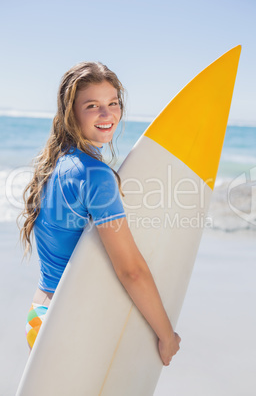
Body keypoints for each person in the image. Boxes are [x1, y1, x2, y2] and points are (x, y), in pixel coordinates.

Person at [20, 61, 181, 366]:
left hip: (39, 314)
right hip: (69, 321)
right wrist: (166, 335)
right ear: (72, 113)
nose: (107, 115)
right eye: (93, 105)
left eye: (113, 103)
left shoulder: (56, 164)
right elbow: (131, 269)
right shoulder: (94, 175)